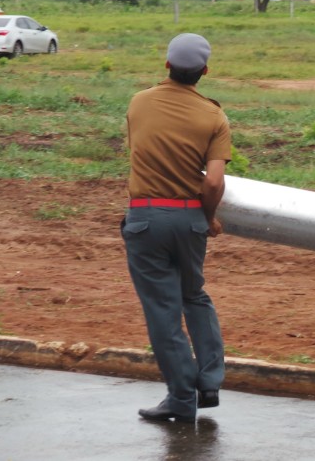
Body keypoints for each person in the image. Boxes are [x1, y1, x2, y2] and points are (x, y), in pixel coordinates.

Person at [121, 33, 231, 423]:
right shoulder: (213, 116)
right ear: (204, 71)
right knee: (194, 294)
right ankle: (210, 380)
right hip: (189, 220)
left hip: (146, 219)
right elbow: (214, 182)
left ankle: (181, 398)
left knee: (163, 310)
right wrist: (209, 217)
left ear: (167, 65)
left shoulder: (139, 103)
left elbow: (137, 150)